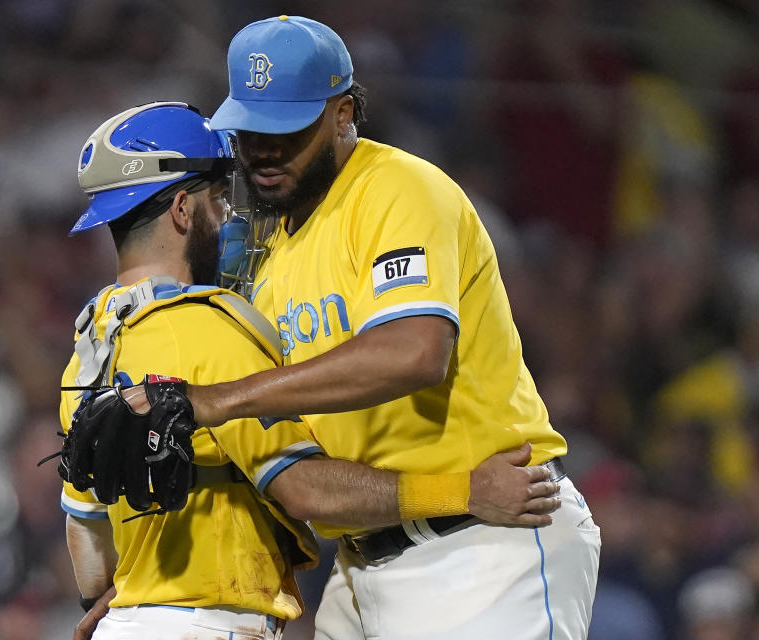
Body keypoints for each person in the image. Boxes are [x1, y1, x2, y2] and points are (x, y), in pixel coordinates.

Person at [137, 15, 602, 639]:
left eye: (288, 128)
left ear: (344, 113)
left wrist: (214, 400)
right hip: (364, 562)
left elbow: (414, 352)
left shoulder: (397, 190)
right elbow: (298, 482)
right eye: (251, 131)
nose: (266, 151)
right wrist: (140, 589)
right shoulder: (270, 254)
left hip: (489, 544)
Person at [59, 102, 563, 640]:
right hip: (210, 625)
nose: (231, 216)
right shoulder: (211, 329)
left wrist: (129, 599)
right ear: (183, 210)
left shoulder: (89, 349)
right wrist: (462, 492)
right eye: (219, 198)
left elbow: (84, 533)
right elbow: (304, 491)